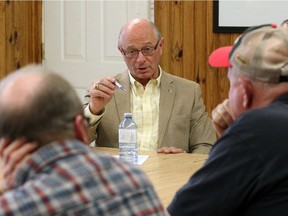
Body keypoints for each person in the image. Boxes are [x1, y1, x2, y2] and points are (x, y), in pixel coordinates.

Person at [0, 64, 166, 215]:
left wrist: (9, 188)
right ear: (80, 128)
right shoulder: (135, 180)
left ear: (4, 147)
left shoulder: (14, 207)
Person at [168, 24, 288, 215]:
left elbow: (183, 211)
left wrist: (237, 137)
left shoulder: (257, 128)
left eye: (230, 82)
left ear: (244, 91)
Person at [84, 18, 216, 154]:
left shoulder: (189, 92)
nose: (140, 59)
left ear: (161, 46)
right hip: (119, 173)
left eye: (147, 49)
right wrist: (94, 109)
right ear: (121, 52)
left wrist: (182, 161)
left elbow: (206, 146)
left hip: (169, 174)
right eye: (131, 52)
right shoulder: (103, 92)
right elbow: (74, 142)